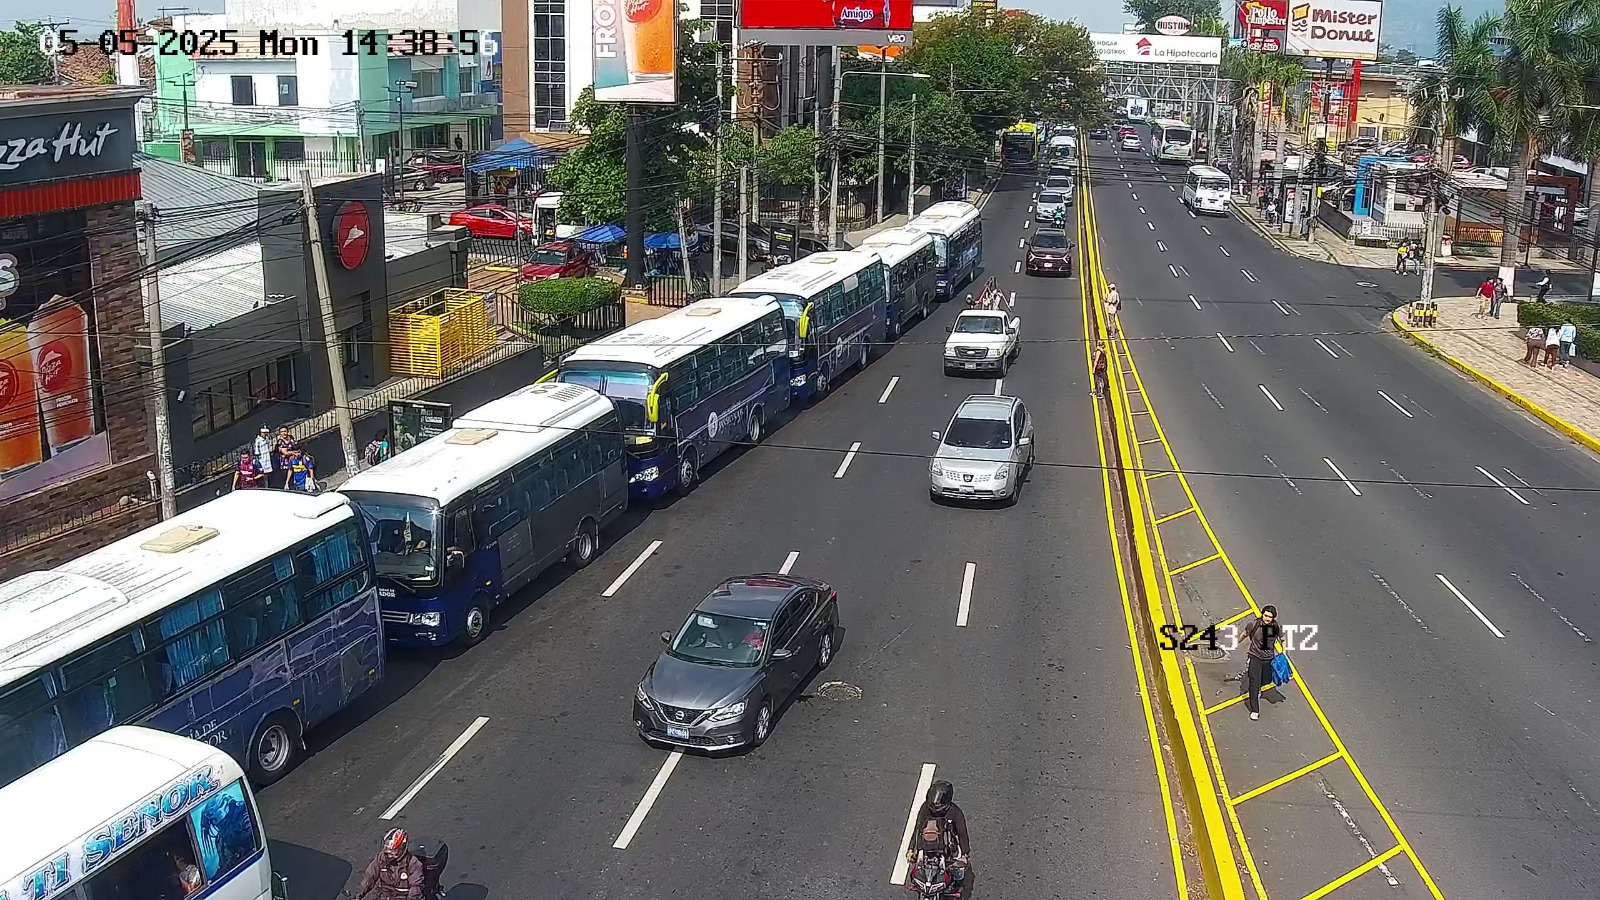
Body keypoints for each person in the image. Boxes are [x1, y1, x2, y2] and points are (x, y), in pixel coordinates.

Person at [905, 780, 971, 893]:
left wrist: (965, 853)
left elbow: (962, 834)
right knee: (917, 864)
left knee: (959, 872)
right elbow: (918, 827)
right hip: (927, 843)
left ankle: (957, 886)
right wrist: (911, 848)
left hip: (949, 845)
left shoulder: (955, 812)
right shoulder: (925, 808)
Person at [357, 829, 425, 900]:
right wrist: (359, 894)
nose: (389, 854)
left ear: (402, 848)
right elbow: (369, 876)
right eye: (387, 850)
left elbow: (416, 887)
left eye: (393, 851)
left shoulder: (413, 864)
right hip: (384, 896)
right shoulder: (381, 858)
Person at [1242, 606, 1283, 721]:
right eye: (1265, 616)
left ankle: (1259, 688)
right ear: (1262, 614)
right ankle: (1255, 710)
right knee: (1254, 683)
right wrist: (1235, 642)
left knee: (1266, 680)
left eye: (1270, 617)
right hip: (1255, 657)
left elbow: (1282, 639)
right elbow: (1244, 634)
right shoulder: (1254, 625)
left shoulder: (1275, 627)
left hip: (1268, 659)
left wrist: (1283, 653)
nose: (1267, 619)